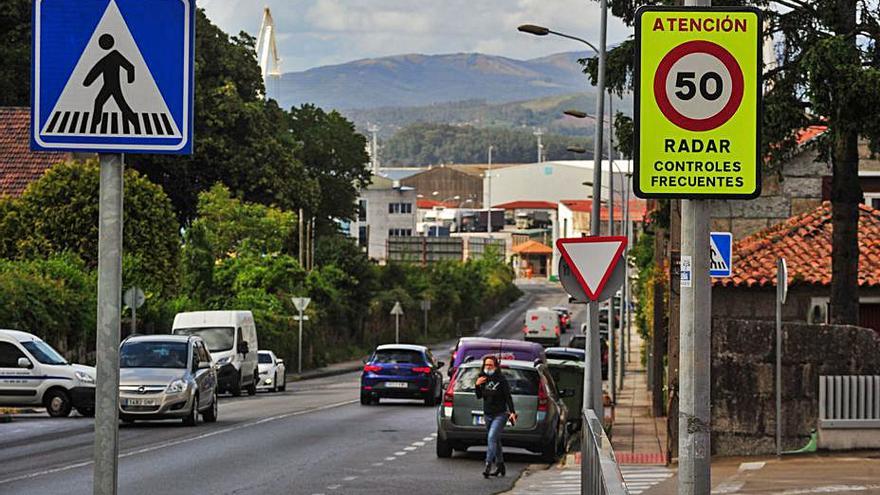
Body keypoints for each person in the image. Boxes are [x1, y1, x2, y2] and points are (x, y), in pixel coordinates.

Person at [474, 355, 517, 478]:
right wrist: (477, 385)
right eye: (486, 365)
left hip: (500, 414)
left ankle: (488, 464)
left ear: (496, 366)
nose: (488, 367)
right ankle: (500, 465)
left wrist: (512, 412)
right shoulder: (482, 378)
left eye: (490, 365)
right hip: (487, 414)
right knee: (496, 440)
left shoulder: (501, 379)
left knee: (491, 437)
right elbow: (479, 396)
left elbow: (508, 397)